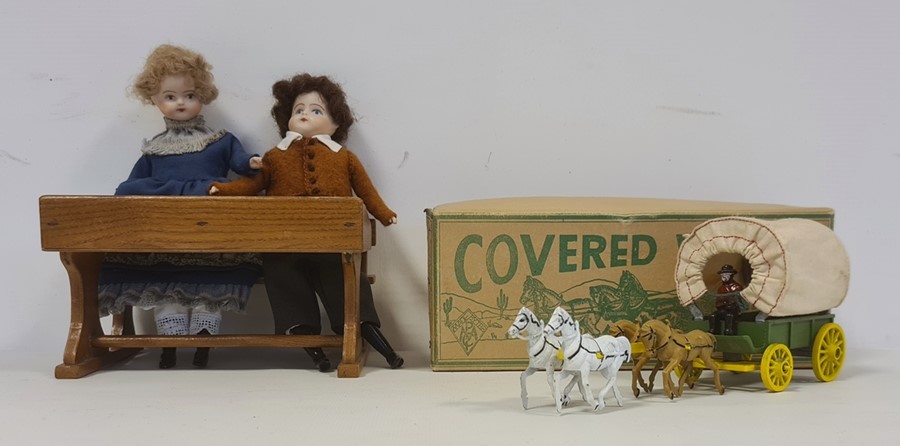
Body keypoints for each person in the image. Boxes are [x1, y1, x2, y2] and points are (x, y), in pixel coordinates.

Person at [210, 73, 403, 371]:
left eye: (316, 110)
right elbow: (252, 185)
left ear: (336, 123)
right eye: (298, 109)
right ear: (286, 118)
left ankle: (367, 333)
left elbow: (365, 190)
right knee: (284, 278)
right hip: (284, 241)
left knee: (345, 278)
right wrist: (224, 190)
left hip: (332, 240)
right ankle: (308, 342)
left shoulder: (344, 157)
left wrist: (382, 211)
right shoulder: (274, 157)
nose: (305, 115)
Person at [98, 44, 262, 369]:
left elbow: (239, 161)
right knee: (167, 293)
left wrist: (252, 162)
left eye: (189, 94)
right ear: (155, 101)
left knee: (207, 292)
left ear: (202, 94)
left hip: (207, 225)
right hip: (165, 232)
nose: (181, 103)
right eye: (170, 97)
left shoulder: (219, 140)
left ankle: (203, 346)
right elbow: (130, 187)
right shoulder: (153, 150)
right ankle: (168, 346)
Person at [708, 264, 745, 335]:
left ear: (731, 275)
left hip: (733, 310)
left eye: (725, 274)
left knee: (729, 316)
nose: (723, 276)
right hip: (723, 309)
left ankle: (728, 331)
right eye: (722, 274)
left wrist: (731, 304)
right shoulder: (721, 288)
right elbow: (718, 301)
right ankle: (713, 331)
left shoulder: (737, 287)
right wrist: (722, 304)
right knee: (713, 316)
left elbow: (739, 302)